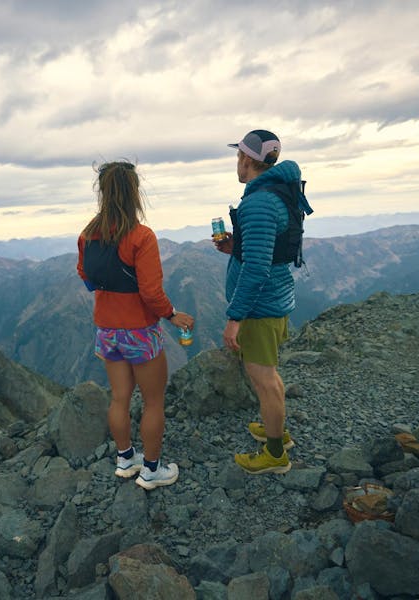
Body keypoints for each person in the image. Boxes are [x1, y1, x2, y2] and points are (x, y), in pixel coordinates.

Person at [77, 160, 194, 490]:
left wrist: (107, 294)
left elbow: (85, 273)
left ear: (102, 193)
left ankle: (125, 460)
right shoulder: (141, 236)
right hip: (140, 331)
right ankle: (153, 471)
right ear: (134, 192)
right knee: (154, 401)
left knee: (119, 398)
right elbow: (151, 291)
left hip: (107, 330)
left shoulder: (88, 235)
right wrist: (172, 315)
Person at [214, 129, 312, 474]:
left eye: (238, 156)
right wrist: (234, 246)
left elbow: (256, 270)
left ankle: (274, 455)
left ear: (246, 159)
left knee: (264, 379)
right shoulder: (278, 193)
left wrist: (234, 317)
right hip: (277, 297)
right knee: (269, 376)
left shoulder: (258, 203)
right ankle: (277, 432)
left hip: (260, 307)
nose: (236, 163)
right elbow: (270, 249)